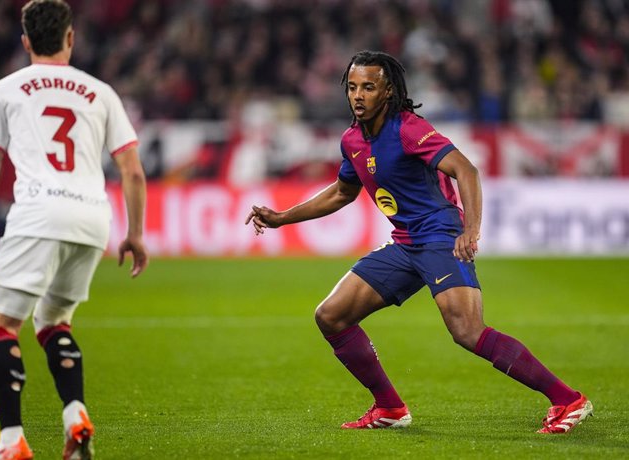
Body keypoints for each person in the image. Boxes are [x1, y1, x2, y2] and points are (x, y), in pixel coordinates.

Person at [246, 50, 593, 433]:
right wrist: (281, 218)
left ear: (388, 90)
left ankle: (567, 399)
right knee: (331, 316)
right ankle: (390, 408)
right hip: (405, 244)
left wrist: (470, 231)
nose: (358, 95)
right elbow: (342, 193)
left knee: (467, 331)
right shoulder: (352, 140)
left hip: (441, 236)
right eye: (352, 87)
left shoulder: (408, 128)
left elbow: (466, 169)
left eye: (368, 87)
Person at [0, 1, 148, 459]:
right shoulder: (100, 93)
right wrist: (135, 233)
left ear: (24, 42)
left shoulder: (6, 89)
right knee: (53, 322)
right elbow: (132, 170)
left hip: (38, 212)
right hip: (92, 218)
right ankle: (75, 414)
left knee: (1, 325)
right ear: (70, 38)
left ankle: (12, 441)